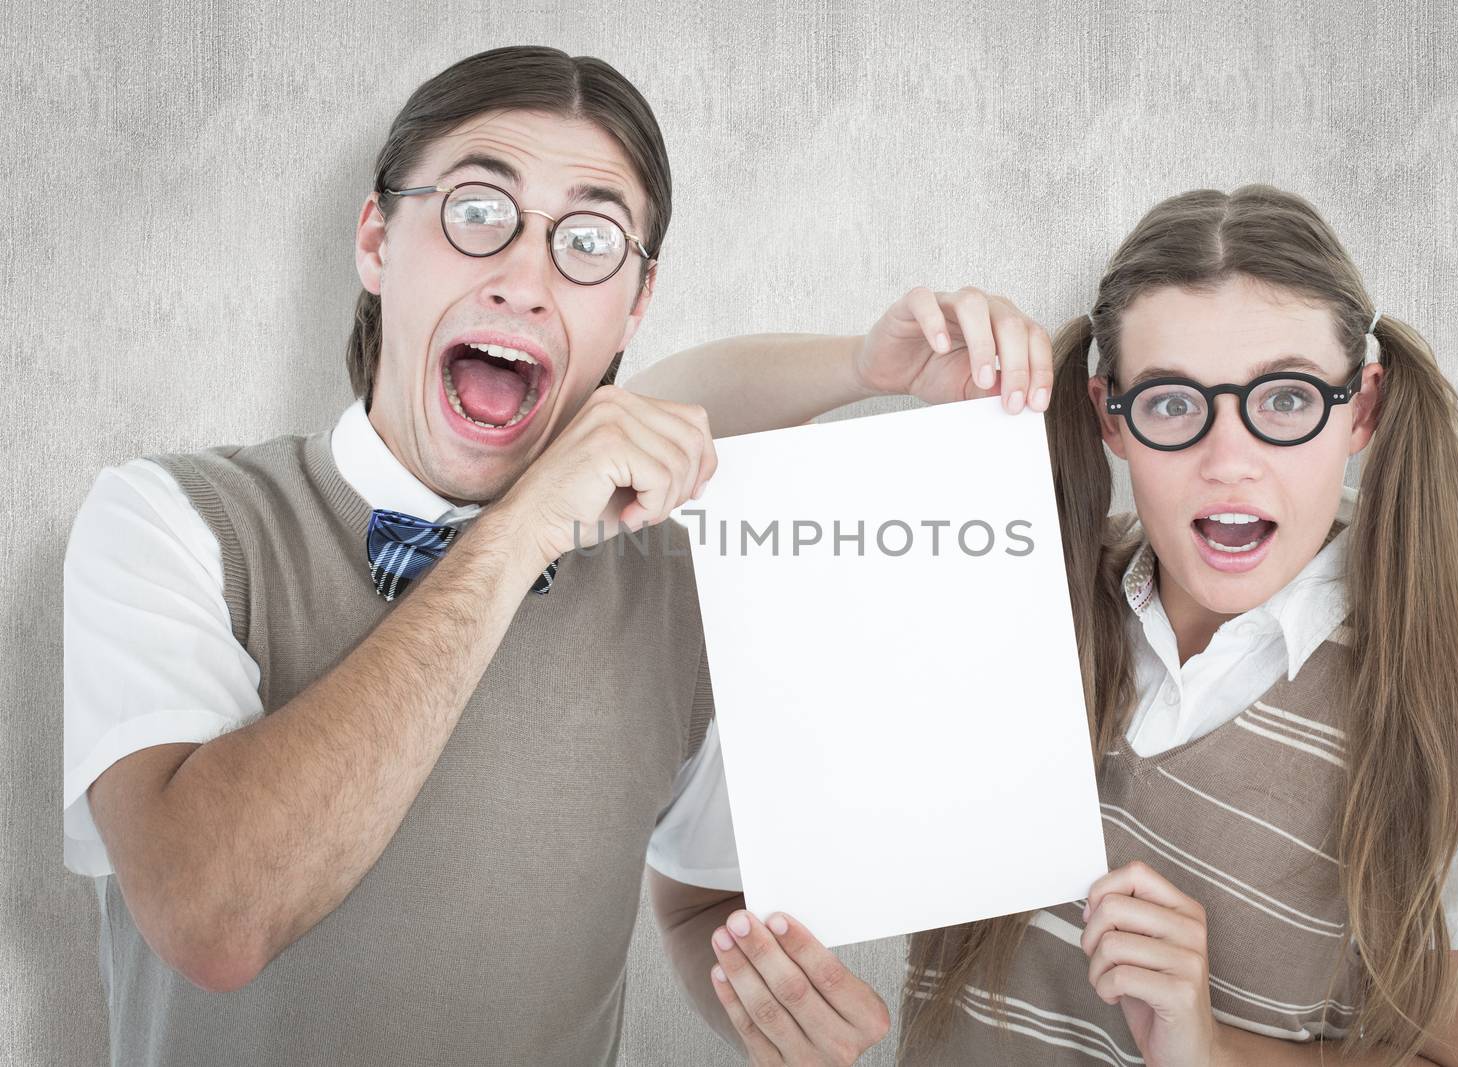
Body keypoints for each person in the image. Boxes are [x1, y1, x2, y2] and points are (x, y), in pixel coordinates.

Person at [60, 44, 1042, 1065]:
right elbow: (212, 918)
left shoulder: (671, 586)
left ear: (635, 301)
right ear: (374, 241)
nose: (524, 280)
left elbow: (699, 899)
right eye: (477, 212)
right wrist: (515, 529)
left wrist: (764, 989)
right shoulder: (169, 521)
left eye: (588, 239)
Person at [638, 185, 1458, 1066]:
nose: (1230, 462)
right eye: (1174, 402)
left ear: (1360, 409)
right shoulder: (991, 590)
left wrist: (1210, 1051)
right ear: (1112, 416)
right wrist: (870, 369)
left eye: (1285, 399)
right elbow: (632, 433)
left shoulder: (1432, 713)